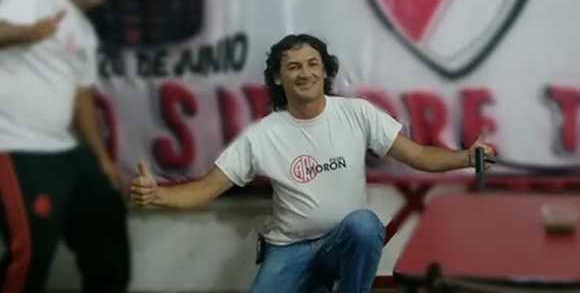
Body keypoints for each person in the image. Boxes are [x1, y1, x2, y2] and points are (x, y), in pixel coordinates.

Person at [131, 33, 496, 293]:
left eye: (312, 64)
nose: (304, 73)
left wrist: (465, 156)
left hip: (343, 243)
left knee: (365, 225)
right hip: (289, 249)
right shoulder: (263, 135)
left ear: (325, 71)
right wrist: (157, 195)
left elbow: (416, 154)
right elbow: (204, 190)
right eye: (293, 67)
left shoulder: (356, 114)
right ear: (278, 77)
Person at [0, 0, 131, 292]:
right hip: (6, 138)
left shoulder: (83, 30)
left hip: (58, 146)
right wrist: (30, 32)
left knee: (105, 218)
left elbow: (82, 101)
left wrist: (102, 159)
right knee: (31, 250)